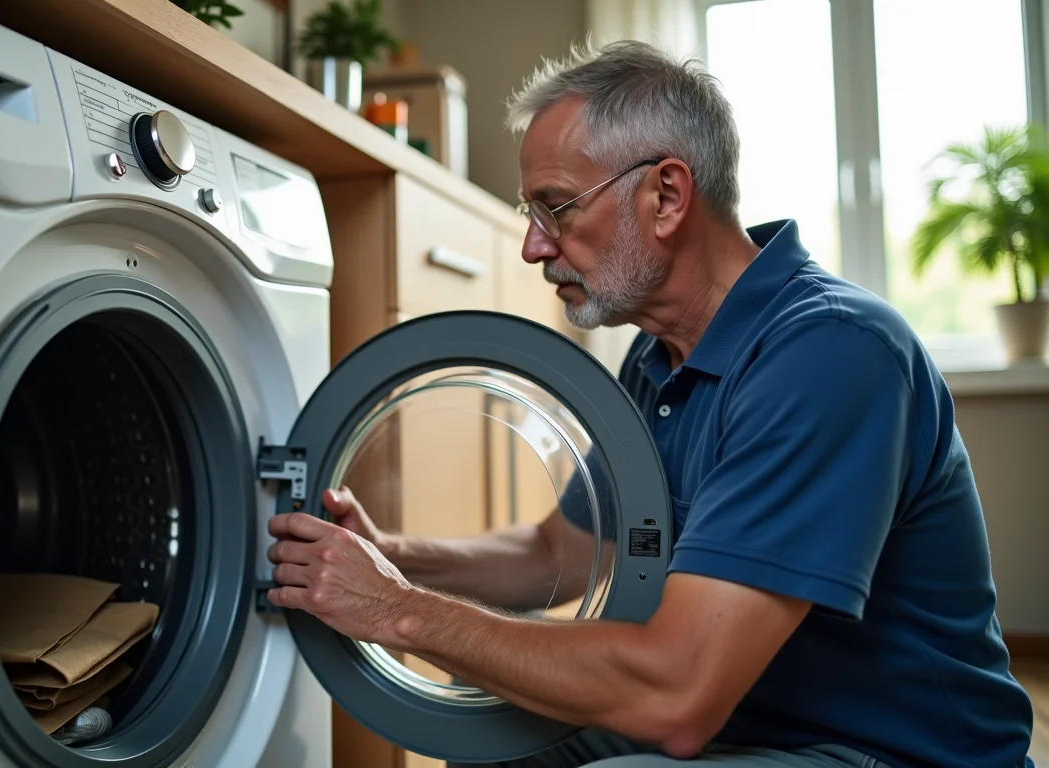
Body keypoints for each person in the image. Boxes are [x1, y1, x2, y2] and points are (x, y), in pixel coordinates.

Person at [265, 40, 1036, 768]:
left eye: (556, 208)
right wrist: (388, 558)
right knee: (491, 738)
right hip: (749, 729)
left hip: (897, 752)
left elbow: (679, 695)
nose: (534, 246)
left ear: (666, 195)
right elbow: (560, 554)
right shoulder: (659, 357)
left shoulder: (832, 354)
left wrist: (400, 611)